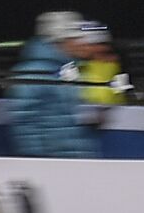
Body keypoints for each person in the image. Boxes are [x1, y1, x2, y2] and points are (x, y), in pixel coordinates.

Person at [8, 11, 99, 158]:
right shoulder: (34, 71)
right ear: (59, 40)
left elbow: (70, 115)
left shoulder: (71, 70)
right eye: (75, 38)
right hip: (50, 160)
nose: (81, 42)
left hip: (77, 158)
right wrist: (38, 160)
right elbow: (24, 120)